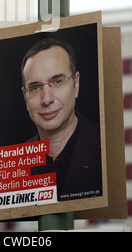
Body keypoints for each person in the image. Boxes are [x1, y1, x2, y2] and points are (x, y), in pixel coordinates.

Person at [21, 37, 102, 202]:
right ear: (25, 98)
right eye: (35, 88)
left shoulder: (108, 145)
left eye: (57, 81)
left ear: (76, 84)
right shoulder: (14, 164)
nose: (47, 99)